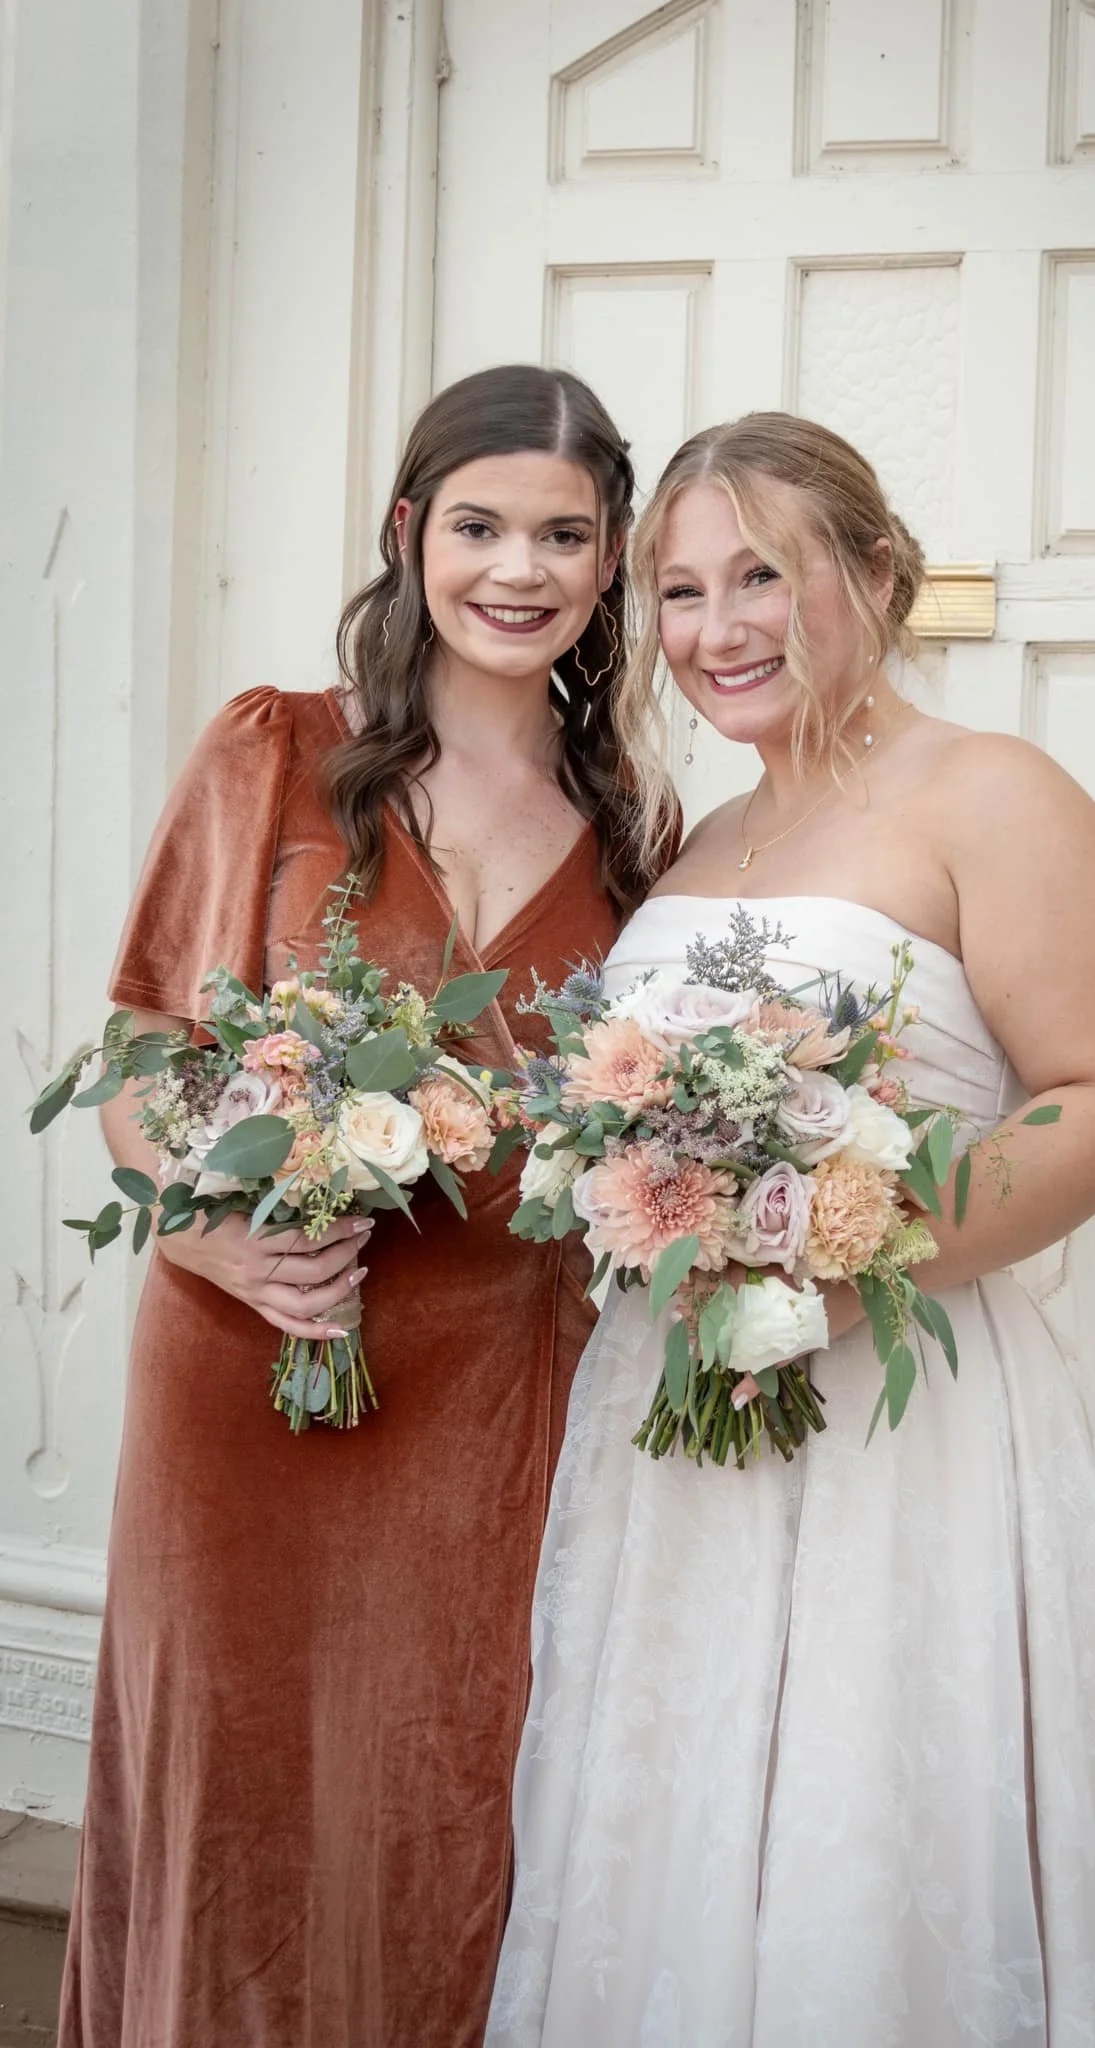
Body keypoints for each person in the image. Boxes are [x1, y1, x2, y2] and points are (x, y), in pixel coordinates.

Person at [488, 414, 1095, 2047]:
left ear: (874, 576)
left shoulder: (992, 793)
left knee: (875, 1815)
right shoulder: (703, 838)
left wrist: (834, 1245)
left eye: (763, 573)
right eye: (678, 591)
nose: (716, 627)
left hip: (902, 1419)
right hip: (679, 1433)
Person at [60, 365, 672, 2047]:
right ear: (410, 535)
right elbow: (140, 1047)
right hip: (243, 1365)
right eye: (478, 525)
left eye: (564, 534)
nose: (517, 570)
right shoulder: (278, 749)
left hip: (485, 1405)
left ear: (611, 562)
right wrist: (214, 1232)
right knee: (231, 1791)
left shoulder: (632, 839)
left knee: (438, 1794)